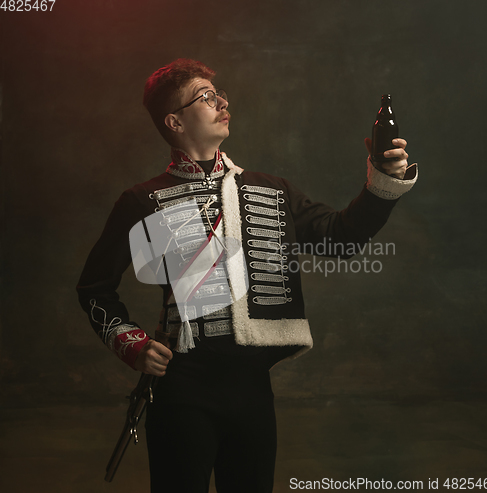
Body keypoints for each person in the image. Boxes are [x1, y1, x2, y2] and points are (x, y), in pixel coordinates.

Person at [77, 58, 417, 493]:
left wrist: (382, 184)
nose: (222, 102)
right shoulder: (144, 200)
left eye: (218, 95)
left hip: (252, 390)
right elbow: (94, 288)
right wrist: (132, 344)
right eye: (205, 96)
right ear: (174, 121)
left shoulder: (271, 190)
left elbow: (341, 240)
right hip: (182, 387)